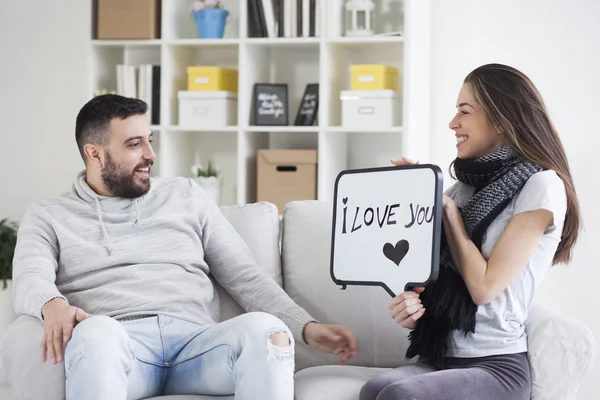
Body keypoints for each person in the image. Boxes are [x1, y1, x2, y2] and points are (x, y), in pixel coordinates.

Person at [11, 94, 358, 400]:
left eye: (149, 140)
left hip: (198, 347)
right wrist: (52, 303)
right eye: (134, 145)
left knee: (267, 331)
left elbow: (245, 276)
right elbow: (30, 276)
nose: (150, 154)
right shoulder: (49, 214)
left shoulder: (185, 194)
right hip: (122, 348)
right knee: (96, 332)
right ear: (95, 153)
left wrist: (305, 327)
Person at [360, 63, 581, 400]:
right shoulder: (460, 189)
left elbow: (483, 287)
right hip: (439, 356)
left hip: (495, 365)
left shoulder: (541, 186)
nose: (453, 123)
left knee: (400, 395)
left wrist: (447, 211)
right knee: (375, 388)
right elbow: (426, 283)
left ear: (502, 118)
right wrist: (408, 305)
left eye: (464, 111)